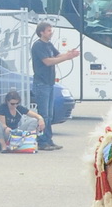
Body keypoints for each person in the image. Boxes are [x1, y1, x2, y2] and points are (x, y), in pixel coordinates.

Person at [31, 22, 79, 150]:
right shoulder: (38, 45)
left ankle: (48, 139)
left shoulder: (49, 44)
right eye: (48, 30)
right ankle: (42, 141)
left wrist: (69, 54)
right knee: (44, 114)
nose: (51, 32)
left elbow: (57, 55)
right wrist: (66, 58)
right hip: (41, 83)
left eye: (51, 30)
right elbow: (47, 61)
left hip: (50, 82)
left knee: (50, 114)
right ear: (41, 32)